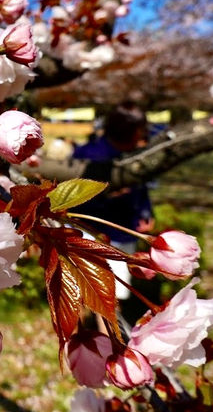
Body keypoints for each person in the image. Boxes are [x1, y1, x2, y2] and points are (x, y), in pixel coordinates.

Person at [72, 102, 154, 300]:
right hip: (90, 230)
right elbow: (72, 198)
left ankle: (108, 328)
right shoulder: (88, 154)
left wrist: (146, 212)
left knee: (114, 291)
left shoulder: (137, 155)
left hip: (124, 231)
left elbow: (141, 189)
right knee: (92, 289)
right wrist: (105, 195)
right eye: (139, 130)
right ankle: (101, 329)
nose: (142, 135)